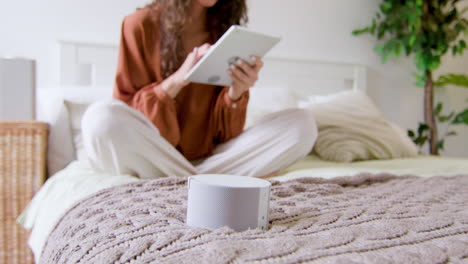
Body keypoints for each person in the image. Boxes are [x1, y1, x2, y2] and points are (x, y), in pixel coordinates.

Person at [82, 0, 317, 179]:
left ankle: (179, 181)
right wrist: (176, 81)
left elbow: (226, 137)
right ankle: (206, 182)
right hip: (153, 152)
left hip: (208, 157)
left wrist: (237, 93)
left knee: (301, 124)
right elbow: (127, 113)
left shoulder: (223, 30)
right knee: (100, 118)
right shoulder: (139, 25)